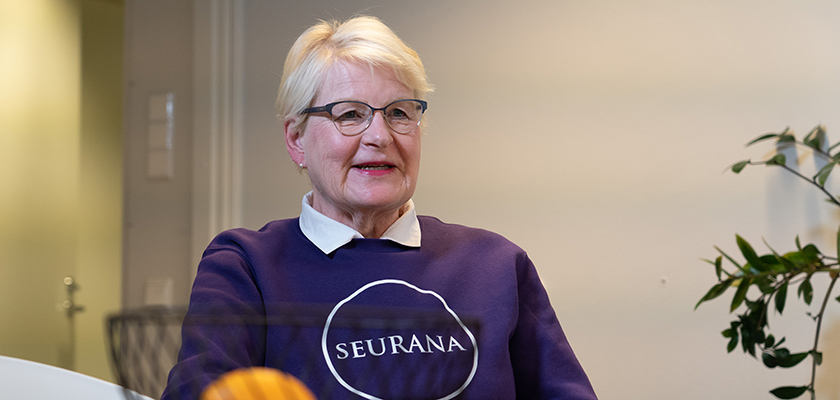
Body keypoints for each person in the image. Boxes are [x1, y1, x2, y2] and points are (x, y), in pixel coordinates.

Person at [162, 16, 597, 400]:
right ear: (296, 139)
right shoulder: (246, 265)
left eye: (399, 113)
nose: (379, 136)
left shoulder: (497, 265)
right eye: (350, 114)